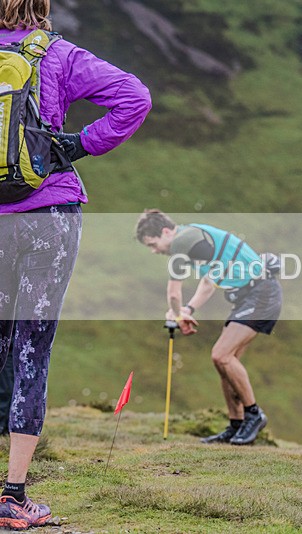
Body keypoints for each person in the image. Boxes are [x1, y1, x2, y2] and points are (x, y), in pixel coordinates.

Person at [0, 0, 150, 529]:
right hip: (49, 213)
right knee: (31, 347)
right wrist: (81, 144)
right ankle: (13, 497)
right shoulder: (57, 55)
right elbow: (134, 97)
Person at [136, 209, 281, 446]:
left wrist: (176, 312)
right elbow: (208, 282)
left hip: (261, 293)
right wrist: (188, 311)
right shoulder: (195, 240)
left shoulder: (182, 241)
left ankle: (254, 414)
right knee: (226, 364)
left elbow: (174, 292)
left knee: (221, 356)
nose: (154, 251)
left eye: (153, 244)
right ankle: (236, 425)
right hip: (249, 296)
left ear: (165, 232)